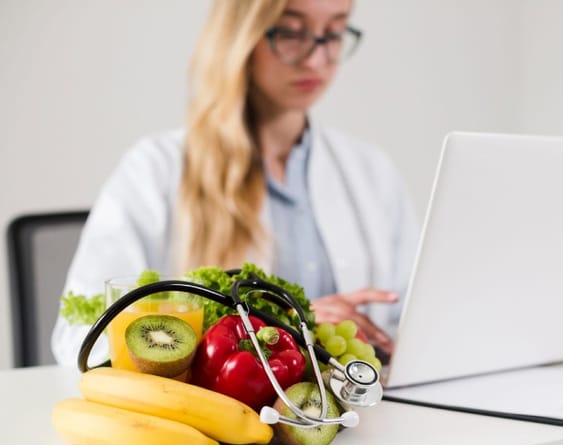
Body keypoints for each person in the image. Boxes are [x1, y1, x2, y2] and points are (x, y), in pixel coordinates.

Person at [51, 0, 418, 367]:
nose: (316, 59)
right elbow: (81, 337)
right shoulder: (153, 169)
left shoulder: (371, 170)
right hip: (222, 418)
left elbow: (414, 318)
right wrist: (290, 324)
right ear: (240, 37)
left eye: (334, 33)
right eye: (290, 32)